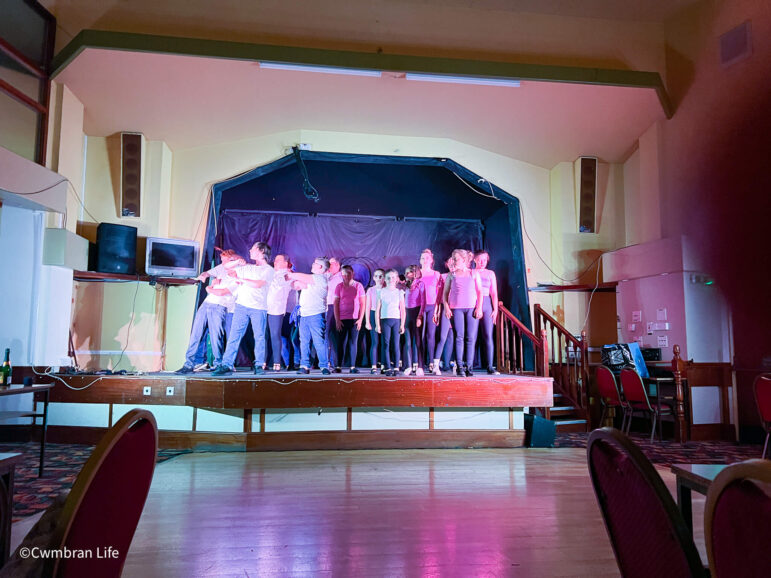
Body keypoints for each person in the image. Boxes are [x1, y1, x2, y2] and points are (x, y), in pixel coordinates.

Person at [176, 250, 244, 373]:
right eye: (222, 261)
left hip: (219, 306)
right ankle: (188, 365)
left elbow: (222, 292)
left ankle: (219, 364)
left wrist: (209, 288)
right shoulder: (222, 269)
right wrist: (205, 277)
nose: (223, 264)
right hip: (207, 304)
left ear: (233, 261)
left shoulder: (238, 277)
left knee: (215, 337)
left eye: (225, 261)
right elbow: (207, 273)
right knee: (195, 334)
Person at [213, 242, 274, 375]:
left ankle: (259, 364)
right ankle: (226, 364)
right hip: (241, 306)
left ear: (261, 251)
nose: (250, 250)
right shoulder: (247, 267)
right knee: (234, 335)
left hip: (258, 308)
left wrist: (241, 279)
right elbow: (226, 268)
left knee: (259, 336)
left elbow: (258, 284)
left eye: (253, 248)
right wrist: (236, 263)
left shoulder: (268, 269)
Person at [286, 257, 331, 375]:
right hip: (304, 314)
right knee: (304, 341)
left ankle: (324, 366)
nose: (312, 264)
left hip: (315, 315)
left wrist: (291, 275)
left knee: (318, 341)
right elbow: (296, 285)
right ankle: (304, 365)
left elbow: (301, 278)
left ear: (320, 267)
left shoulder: (320, 278)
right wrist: (291, 279)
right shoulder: (311, 280)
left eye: (315, 263)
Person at [443, 249, 483, 377]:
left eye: (456, 259)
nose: (453, 261)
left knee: (471, 338)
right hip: (456, 309)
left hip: (471, 308)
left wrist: (479, 307)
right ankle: (459, 366)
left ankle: (469, 366)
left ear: (464, 260)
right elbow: (445, 294)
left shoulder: (474, 273)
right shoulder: (451, 275)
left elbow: (480, 292)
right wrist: (447, 307)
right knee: (459, 337)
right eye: (453, 258)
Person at [333, 265, 366, 373]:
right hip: (342, 319)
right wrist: (337, 319)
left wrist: (360, 319)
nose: (346, 275)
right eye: (344, 273)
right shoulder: (339, 286)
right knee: (340, 342)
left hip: (354, 319)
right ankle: (338, 366)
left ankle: (352, 366)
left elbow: (362, 303)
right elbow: (336, 304)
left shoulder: (358, 286)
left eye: (348, 273)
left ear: (352, 273)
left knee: (353, 342)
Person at [474, 250, 500, 374]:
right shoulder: (471, 272)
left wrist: (495, 309)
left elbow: (494, 293)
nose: (482, 262)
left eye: (485, 259)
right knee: (471, 336)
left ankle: (490, 366)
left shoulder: (490, 273)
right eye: (480, 259)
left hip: (487, 304)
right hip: (473, 304)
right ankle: (468, 365)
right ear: (474, 259)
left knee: (488, 335)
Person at [266, 254, 293, 371]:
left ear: (285, 263)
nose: (275, 262)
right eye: (275, 260)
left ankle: (277, 362)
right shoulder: (271, 272)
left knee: (275, 335)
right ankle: (263, 362)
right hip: (265, 307)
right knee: (264, 335)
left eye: (278, 261)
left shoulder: (287, 274)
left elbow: (283, 285)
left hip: (277, 308)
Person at [376, 269, 405, 377]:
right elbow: (377, 310)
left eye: (393, 277)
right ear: (385, 279)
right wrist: (378, 325)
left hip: (396, 320)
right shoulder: (381, 291)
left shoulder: (399, 292)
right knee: (386, 344)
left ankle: (396, 367)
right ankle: (387, 367)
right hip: (385, 320)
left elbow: (402, 310)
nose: (391, 280)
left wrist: (402, 324)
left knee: (396, 344)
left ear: (397, 279)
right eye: (388, 278)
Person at [431, 257, 456, 375]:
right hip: (446, 309)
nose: (452, 264)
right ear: (447, 264)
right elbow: (439, 295)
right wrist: (437, 311)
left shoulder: (463, 276)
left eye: (454, 262)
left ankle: (447, 364)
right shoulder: (443, 276)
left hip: (457, 309)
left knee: (452, 337)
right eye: (450, 262)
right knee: (443, 337)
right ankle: (436, 364)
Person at [419, 249, 441, 373]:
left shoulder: (436, 274)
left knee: (430, 336)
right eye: (423, 258)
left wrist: (437, 310)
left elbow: (439, 294)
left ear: (432, 260)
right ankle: (420, 363)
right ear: (420, 260)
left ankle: (432, 362)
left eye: (427, 258)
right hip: (420, 307)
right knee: (420, 335)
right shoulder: (416, 273)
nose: (425, 260)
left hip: (432, 306)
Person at [402, 264, 425, 376]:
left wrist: (419, 316)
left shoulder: (420, 284)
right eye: (406, 272)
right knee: (408, 342)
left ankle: (420, 366)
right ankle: (409, 366)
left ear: (415, 273)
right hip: (407, 314)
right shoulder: (404, 286)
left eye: (409, 272)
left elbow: (423, 302)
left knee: (418, 341)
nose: (407, 274)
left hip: (416, 313)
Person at [364, 268, 386, 374]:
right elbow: (367, 306)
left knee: (384, 342)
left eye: (381, 276)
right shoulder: (370, 290)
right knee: (375, 341)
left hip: (384, 315)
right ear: (373, 278)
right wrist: (367, 321)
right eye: (376, 276)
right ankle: (373, 365)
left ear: (384, 278)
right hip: (373, 315)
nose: (378, 278)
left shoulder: (387, 289)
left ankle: (383, 364)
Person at [325, 257, 343, 371]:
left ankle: (336, 363)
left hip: (335, 307)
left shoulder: (340, 277)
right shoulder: (328, 276)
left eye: (331, 265)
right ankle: (326, 361)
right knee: (326, 335)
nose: (329, 267)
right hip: (326, 306)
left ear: (337, 265)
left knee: (334, 336)